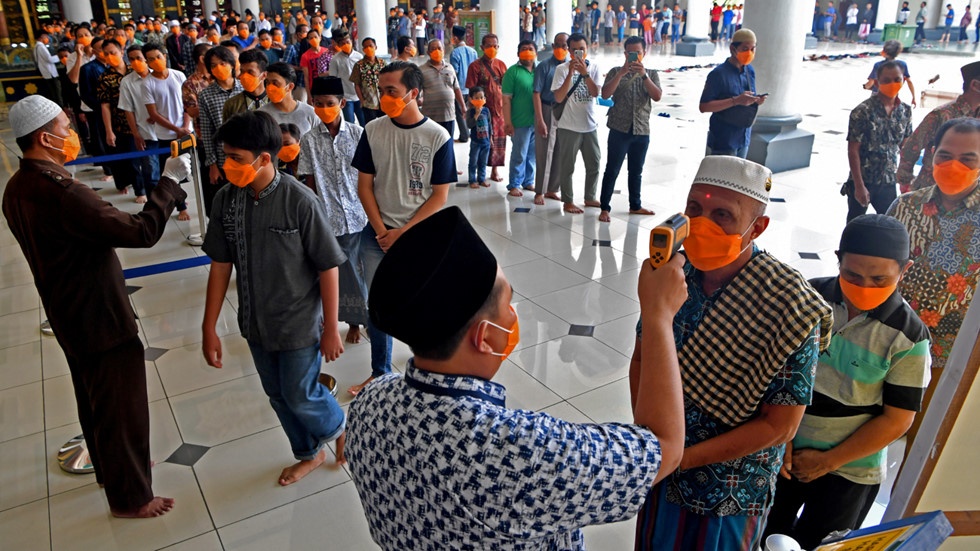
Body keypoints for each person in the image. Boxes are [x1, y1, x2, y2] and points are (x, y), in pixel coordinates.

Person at [346, 203, 687, 549]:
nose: (513, 315)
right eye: (508, 304)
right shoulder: (522, 454)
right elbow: (665, 448)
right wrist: (658, 316)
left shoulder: (369, 404)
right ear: (485, 337)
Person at [633, 155, 833, 551]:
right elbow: (642, 358)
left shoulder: (790, 305)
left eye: (723, 214)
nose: (703, 223)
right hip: (660, 467)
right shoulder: (672, 272)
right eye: (695, 208)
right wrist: (650, 439)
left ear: (757, 227)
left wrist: (679, 457)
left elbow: (780, 427)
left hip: (730, 491)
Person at [4, 95, 189, 518]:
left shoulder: (17, 187)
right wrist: (169, 183)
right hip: (99, 316)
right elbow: (139, 231)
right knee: (122, 406)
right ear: (45, 139)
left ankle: (116, 469)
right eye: (64, 130)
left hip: (66, 310)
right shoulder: (63, 192)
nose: (71, 136)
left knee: (95, 401)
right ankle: (132, 498)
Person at [764, 214, 931, 551]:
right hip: (783, 451)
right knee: (766, 534)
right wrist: (779, 438)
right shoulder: (808, 297)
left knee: (823, 544)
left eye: (880, 279)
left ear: (904, 270)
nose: (864, 287)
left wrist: (830, 460)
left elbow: (898, 419)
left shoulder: (909, 337)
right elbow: (772, 370)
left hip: (850, 471)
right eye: (852, 274)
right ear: (838, 259)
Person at [201, 110, 348, 485]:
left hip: (298, 322)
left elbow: (328, 266)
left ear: (265, 158)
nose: (228, 165)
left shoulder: (299, 200)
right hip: (255, 322)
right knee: (278, 395)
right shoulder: (225, 202)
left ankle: (341, 430)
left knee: (301, 394)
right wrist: (209, 327)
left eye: (237, 158)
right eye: (226, 156)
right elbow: (220, 264)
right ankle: (308, 453)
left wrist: (332, 328)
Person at [351, 61, 456, 396]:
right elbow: (364, 186)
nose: (383, 97)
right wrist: (383, 231)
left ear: (413, 94)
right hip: (377, 234)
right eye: (381, 91)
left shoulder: (437, 136)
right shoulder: (373, 130)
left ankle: (432, 373)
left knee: (423, 302)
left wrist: (403, 233)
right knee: (379, 304)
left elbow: (439, 195)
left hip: (421, 234)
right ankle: (379, 372)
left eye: (391, 91)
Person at [888, 117, 980, 454]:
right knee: (868, 434)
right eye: (944, 155)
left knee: (923, 448)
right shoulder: (906, 207)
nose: (953, 165)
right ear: (931, 154)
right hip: (892, 346)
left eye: (968, 159)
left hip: (950, 359)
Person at [297, 76, 369, 348]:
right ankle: (351, 321)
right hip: (329, 217)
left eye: (330, 103)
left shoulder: (358, 134)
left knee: (361, 269)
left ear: (342, 103)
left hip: (359, 213)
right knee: (341, 271)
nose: (324, 108)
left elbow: (368, 175)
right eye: (318, 104)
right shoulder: (309, 139)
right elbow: (309, 180)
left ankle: (367, 319)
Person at [598, 36, 661, 223]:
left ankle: (635, 205)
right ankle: (604, 208)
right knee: (612, 169)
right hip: (619, 128)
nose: (635, 57)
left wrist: (644, 76)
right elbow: (605, 94)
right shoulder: (615, 71)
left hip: (641, 130)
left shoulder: (651, 73)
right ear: (625, 53)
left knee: (636, 171)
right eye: (631, 53)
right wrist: (621, 73)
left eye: (638, 53)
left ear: (644, 53)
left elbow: (657, 96)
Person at [845, 61, 912, 222]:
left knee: (889, 225)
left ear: (903, 79)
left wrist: (906, 177)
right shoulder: (862, 111)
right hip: (863, 178)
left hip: (888, 180)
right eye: (886, 80)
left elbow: (906, 145)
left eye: (897, 79)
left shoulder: (905, 111)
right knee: (855, 224)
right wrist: (859, 186)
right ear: (877, 82)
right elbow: (853, 150)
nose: (893, 84)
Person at [898, 61, 980, 193]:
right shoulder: (942, 115)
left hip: (966, 192)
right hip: (932, 191)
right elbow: (911, 148)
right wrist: (905, 183)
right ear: (975, 85)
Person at [141, 43, 192, 220]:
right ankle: (181, 206)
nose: (156, 61)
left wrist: (185, 126)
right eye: (151, 59)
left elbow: (188, 103)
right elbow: (153, 113)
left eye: (158, 57)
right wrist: (176, 129)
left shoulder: (178, 75)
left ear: (165, 56)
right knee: (172, 173)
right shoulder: (147, 83)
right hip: (166, 135)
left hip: (187, 131)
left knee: (190, 169)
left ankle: (187, 199)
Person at [551, 33, 600, 214]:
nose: (579, 53)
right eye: (575, 50)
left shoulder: (594, 67)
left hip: (590, 125)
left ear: (587, 49)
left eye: (582, 49)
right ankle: (568, 201)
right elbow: (558, 96)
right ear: (569, 51)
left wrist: (585, 74)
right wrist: (571, 73)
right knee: (567, 166)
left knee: (594, 163)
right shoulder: (562, 69)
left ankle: (590, 196)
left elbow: (595, 93)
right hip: (568, 126)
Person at [698, 28, 765, 158]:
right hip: (724, 139)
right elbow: (704, 106)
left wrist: (755, 101)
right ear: (733, 49)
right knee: (720, 177)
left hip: (743, 136)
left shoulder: (749, 71)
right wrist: (735, 101)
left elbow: (747, 99)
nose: (749, 53)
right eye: (745, 49)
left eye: (753, 49)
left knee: (738, 176)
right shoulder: (718, 74)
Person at [198, 45, 243, 214]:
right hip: (224, 158)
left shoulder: (245, 89)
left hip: (249, 155)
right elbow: (207, 132)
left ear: (232, 64)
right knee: (227, 204)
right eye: (214, 65)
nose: (219, 68)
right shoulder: (205, 95)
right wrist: (212, 164)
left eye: (223, 63)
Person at [96, 40, 138, 198]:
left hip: (138, 119)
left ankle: (140, 185)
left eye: (113, 52)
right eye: (106, 54)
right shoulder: (104, 78)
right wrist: (109, 130)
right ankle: (123, 183)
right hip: (119, 122)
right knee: (123, 156)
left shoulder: (133, 70)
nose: (109, 56)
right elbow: (104, 105)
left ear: (122, 52)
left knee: (140, 158)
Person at [465, 34, 507, 182]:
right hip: (482, 112)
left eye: (495, 46)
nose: (492, 49)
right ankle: (475, 174)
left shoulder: (501, 65)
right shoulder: (475, 66)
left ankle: (494, 170)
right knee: (480, 143)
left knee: (498, 142)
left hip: (499, 110)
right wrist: (472, 113)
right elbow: (471, 90)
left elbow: (506, 87)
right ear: (482, 47)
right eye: (488, 46)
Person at [502, 40, 537, 197]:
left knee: (532, 154)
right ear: (518, 54)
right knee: (519, 154)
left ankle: (528, 181)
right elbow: (506, 99)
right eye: (524, 49)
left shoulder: (539, 70)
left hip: (537, 121)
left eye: (530, 49)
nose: (527, 52)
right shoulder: (512, 72)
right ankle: (514, 183)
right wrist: (508, 122)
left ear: (536, 52)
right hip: (519, 122)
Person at [420, 38, 466, 139]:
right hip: (430, 117)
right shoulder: (421, 70)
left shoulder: (450, 68)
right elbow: (416, 92)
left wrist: (463, 106)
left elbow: (456, 88)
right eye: (433, 49)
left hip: (448, 115)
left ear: (443, 50)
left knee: (448, 144)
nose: (437, 51)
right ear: (428, 52)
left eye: (439, 48)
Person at [259, 62, 320, 135]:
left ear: (290, 86)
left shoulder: (310, 113)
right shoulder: (261, 115)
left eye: (275, 83)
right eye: (267, 83)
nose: (269, 87)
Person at [862, 39, 916, 106]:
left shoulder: (878, 65)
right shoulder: (902, 65)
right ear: (898, 52)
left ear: (885, 51)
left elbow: (870, 83)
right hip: (893, 95)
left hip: (877, 96)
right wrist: (913, 97)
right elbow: (909, 81)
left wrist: (865, 87)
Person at [328, 27, 364, 125]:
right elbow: (333, 79)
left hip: (360, 95)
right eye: (342, 44)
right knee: (350, 123)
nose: (346, 45)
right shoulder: (335, 59)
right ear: (339, 45)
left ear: (351, 41)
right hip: (346, 97)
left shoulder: (359, 57)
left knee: (364, 122)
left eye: (347, 42)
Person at [222, 49, 270, 121]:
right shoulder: (232, 104)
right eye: (242, 72)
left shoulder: (275, 102)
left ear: (264, 75)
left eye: (250, 72)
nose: (244, 76)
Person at [449, 25, 478, 143]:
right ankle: (471, 132)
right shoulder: (473, 51)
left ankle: (464, 135)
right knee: (470, 110)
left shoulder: (455, 53)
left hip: (459, 88)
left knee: (460, 112)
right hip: (471, 88)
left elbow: (454, 73)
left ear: (455, 38)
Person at [351, 37, 387, 124]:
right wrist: (362, 100)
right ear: (363, 49)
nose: (368, 48)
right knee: (371, 127)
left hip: (383, 102)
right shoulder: (358, 65)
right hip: (368, 103)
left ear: (376, 47)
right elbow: (357, 84)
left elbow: (388, 80)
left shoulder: (382, 63)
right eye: (365, 47)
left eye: (371, 46)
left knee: (386, 125)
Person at [466, 87, 492, 188]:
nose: (480, 100)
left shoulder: (486, 110)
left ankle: (481, 179)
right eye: (476, 98)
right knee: (473, 161)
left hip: (486, 142)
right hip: (475, 142)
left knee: (483, 162)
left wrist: (490, 137)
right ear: (471, 99)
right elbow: (469, 125)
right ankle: (472, 180)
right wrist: (476, 115)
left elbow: (489, 125)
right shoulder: (470, 112)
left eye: (481, 97)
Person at [34, 32, 62, 104]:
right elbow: (49, 59)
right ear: (41, 37)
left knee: (53, 91)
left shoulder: (37, 46)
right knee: (56, 92)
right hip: (49, 72)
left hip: (46, 71)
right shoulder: (40, 47)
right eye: (46, 36)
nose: (47, 38)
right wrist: (59, 57)